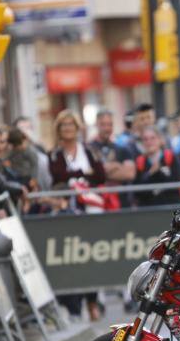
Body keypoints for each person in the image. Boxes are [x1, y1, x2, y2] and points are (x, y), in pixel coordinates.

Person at [49, 110, 107, 321]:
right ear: (58, 129)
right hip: (67, 212)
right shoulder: (54, 154)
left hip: (90, 212)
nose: (67, 129)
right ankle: (74, 307)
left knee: (89, 257)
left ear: (77, 128)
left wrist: (76, 177)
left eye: (71, 125)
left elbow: (100, 175)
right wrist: (83, 175)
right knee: (71, 257)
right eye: (63, 125)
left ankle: (93, 301)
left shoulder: (88, 151)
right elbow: (58, 176)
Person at [89, 110, 137, 208]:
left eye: (110, 124)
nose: (107, 128)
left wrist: (102, 171)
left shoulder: (122, 148)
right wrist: (117, 166)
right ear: (96, 124)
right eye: (103, 124)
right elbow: (91, 174)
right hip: (97, 202)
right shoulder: (88, 149)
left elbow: (130, 174)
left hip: (122, 202)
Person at [133, 127, 180, 208]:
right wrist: (150, 173)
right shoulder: (139, 161)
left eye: (152, 138)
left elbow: (176, 181)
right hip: (148, 208)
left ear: (160, 140)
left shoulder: (170, 157)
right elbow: (138, 191)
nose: (149, 142)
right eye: (145, 139)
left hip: (171, 206)